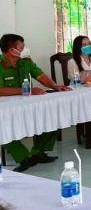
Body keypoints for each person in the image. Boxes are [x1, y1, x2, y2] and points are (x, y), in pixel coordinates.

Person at [0, 34, 70, 172]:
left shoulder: (26, 61)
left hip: (28, 105)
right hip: (7, 109)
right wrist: (27, 91)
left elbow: (40, 75)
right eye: (21, 47)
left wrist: (55, 86)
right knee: (2, 127)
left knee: (53, 116)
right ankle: (23, 157)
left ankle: (38, 152)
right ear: (11, 50)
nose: (25, 49)